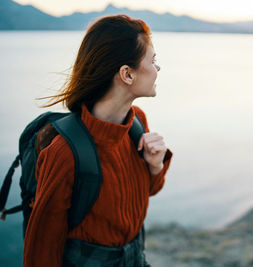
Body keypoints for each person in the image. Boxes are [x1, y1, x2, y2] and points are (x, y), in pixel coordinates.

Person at [23, 14, 173, 266]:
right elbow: (41, 251)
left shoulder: (138, 122)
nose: (158, 68)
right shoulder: (64, 152)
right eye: (153, 60)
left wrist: (155, 165)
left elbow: (148, 191)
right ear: (127, 74)